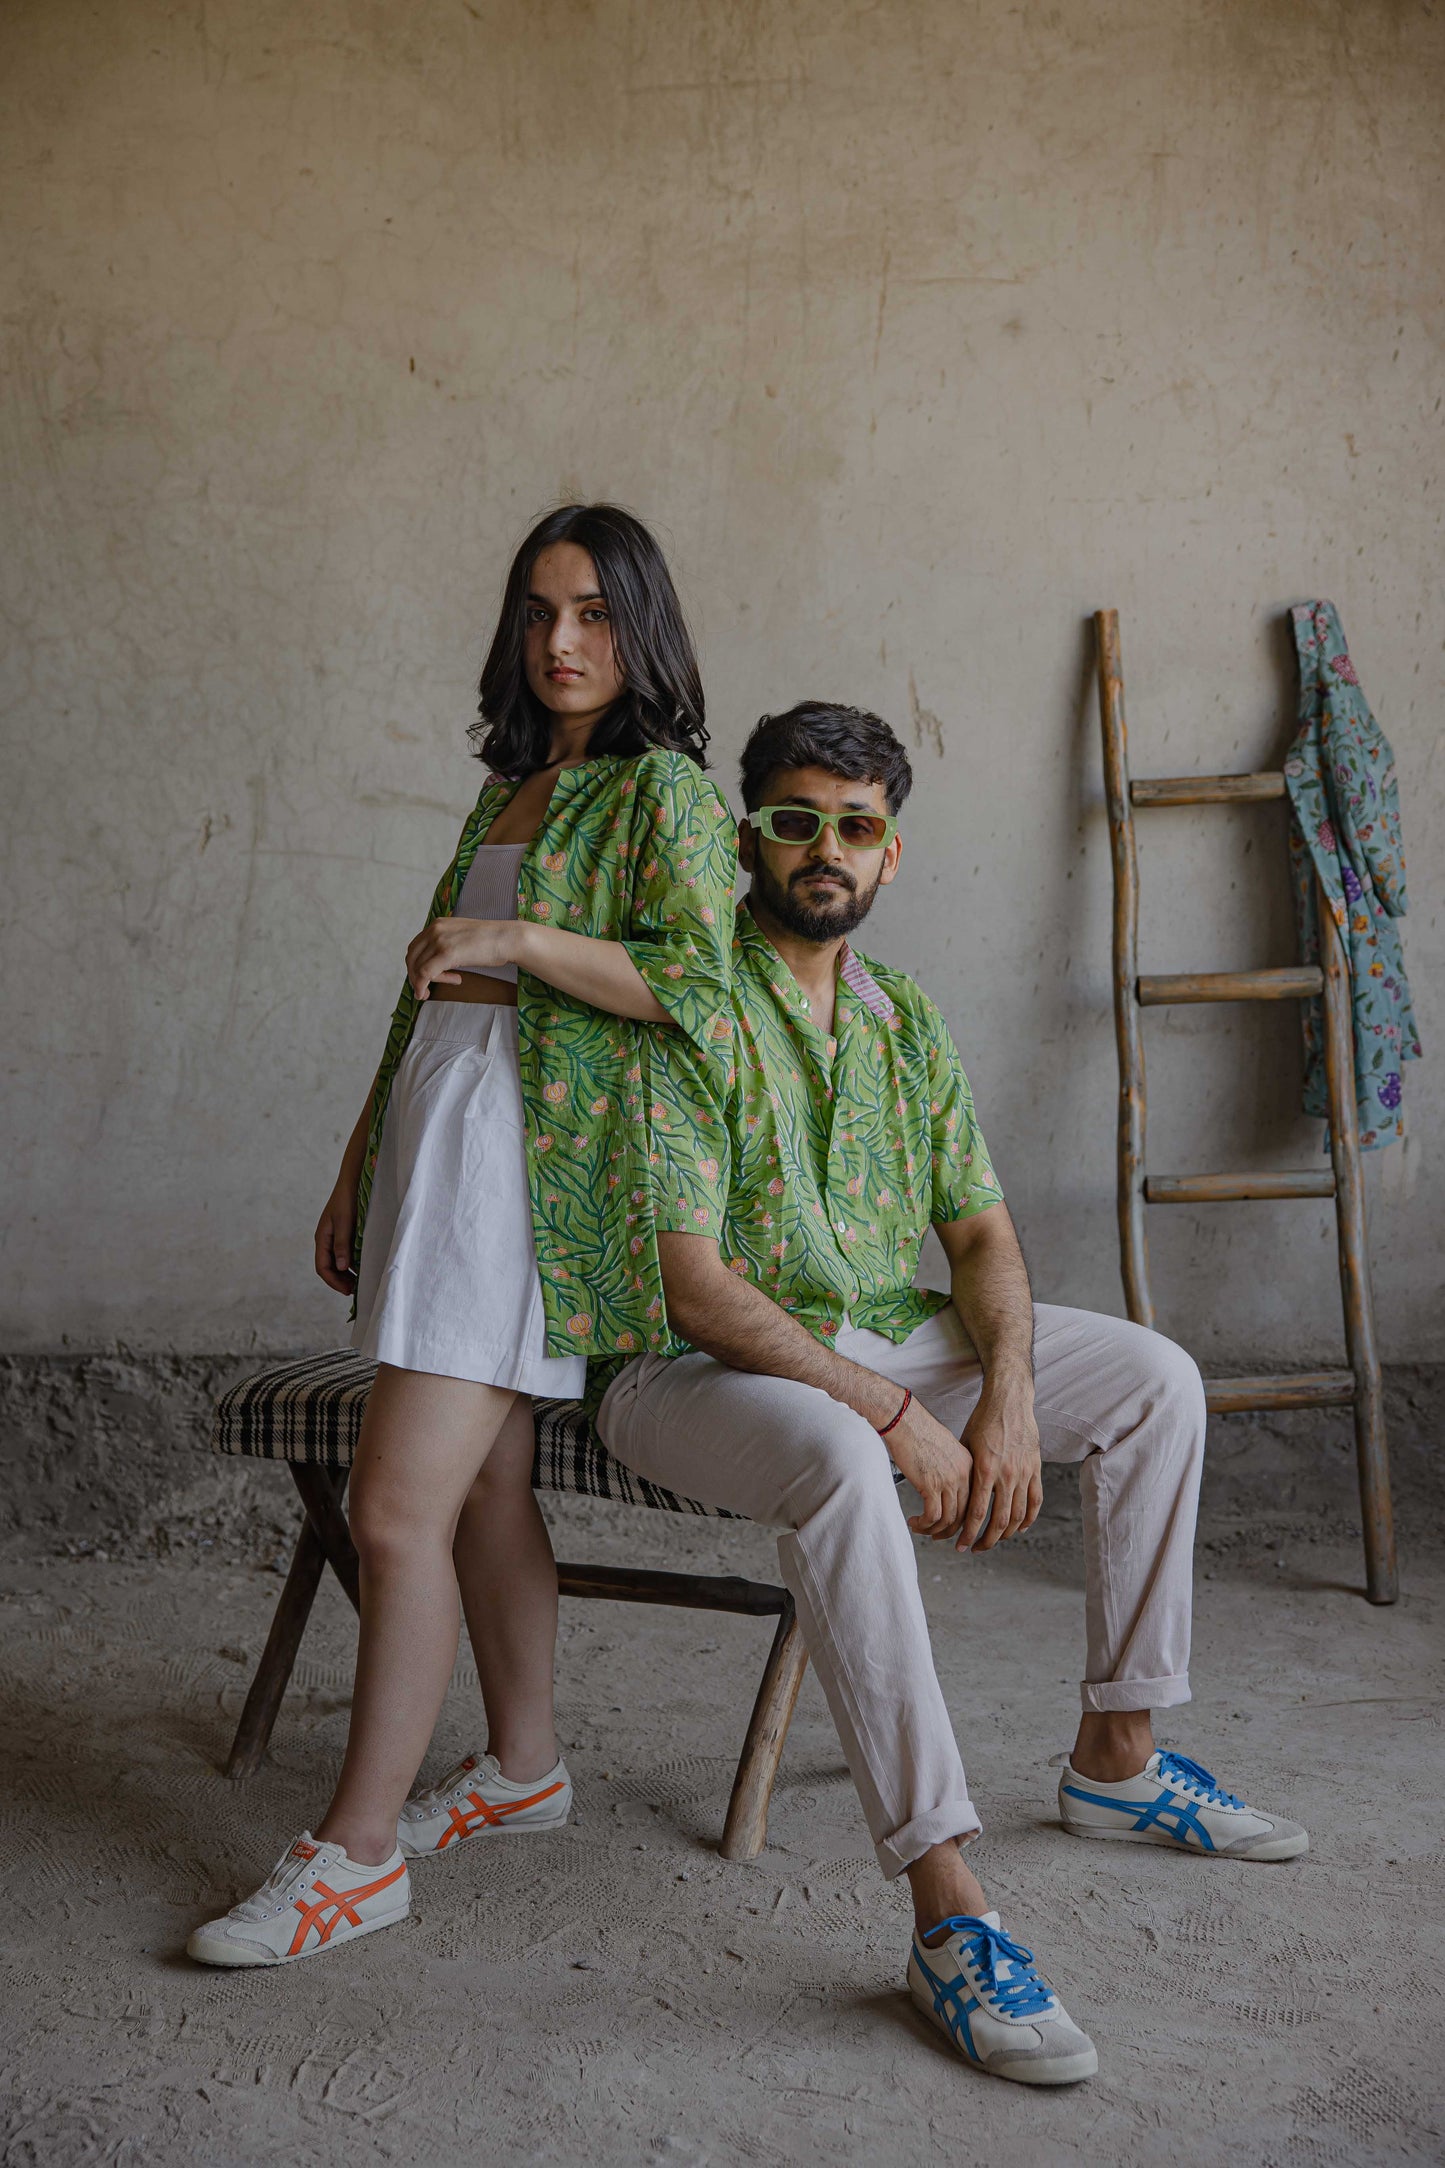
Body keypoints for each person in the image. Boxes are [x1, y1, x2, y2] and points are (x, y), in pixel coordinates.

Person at [593, 700, 1308, 2086]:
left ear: (887, 852)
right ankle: (947, 1912)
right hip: (685, 1372)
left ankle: (1117, 1754)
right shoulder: (684, 995)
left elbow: (977, 1236)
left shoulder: (898, 1016)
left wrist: (1010, 1397)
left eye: (853, 826)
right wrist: (893, 1408)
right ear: (750, 834)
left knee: (1155, 1377)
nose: (823, 849)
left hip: (876, 1332)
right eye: (795, 819)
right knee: (849, 1460)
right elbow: (690, 1285)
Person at [188, 505, 737, 1968]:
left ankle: (355, 1857)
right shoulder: (510, 788)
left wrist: (513, 945)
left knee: (391, 1512)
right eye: (540, 611)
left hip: (523, 1170)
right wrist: (360, 1157)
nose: (561, 642)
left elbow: (702, 983)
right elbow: (422, 999)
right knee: (486, 1484)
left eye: (595, 615)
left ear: (642, 628)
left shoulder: (661, 791)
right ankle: (524, 1767)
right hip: (441, 1143)